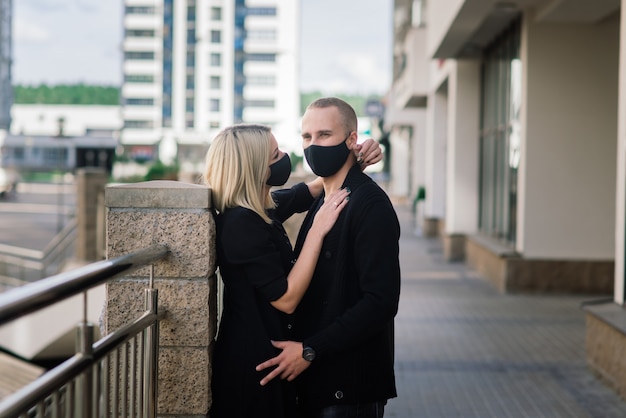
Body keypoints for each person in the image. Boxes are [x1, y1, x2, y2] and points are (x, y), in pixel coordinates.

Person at [203, 123, 382, 418]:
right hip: (255, 370)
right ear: (256, 169)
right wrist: (317, 230)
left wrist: (353, 162)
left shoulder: (258, 210)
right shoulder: (240, 225)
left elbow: (302, 194)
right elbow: (286, 298)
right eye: (275, 155)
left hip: (273, 359)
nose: (285, 156)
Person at [256, 97, 401, 418]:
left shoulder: (370, 205)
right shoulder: (325, 199)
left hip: (349, 388)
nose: (313, 145)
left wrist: (310, 350)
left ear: (352, 139)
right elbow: (263, 209)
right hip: (316, 382)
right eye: (306, 137)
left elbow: (381, 302)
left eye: (324, 135)